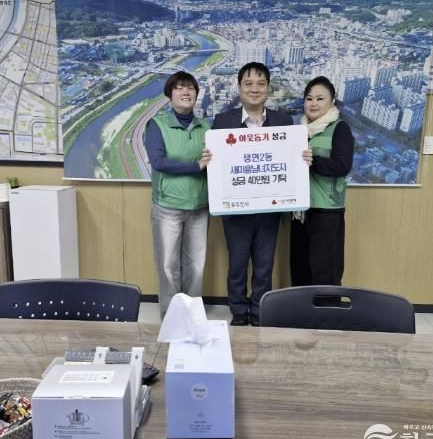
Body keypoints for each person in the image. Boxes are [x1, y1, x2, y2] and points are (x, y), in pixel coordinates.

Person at [212, 62, 296, 327]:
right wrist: (210, 158)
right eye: (248, 83)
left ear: (268, 88)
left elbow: (290, 161)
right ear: (239, 88)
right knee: (237, 264)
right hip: (235, 210)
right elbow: (218, 165)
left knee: (264, 265)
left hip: (269, 209)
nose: (254, 89)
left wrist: (302, 157)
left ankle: (259, 310)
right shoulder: (223, 121)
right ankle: (238, 310)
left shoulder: (283, 121)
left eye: (260, 83)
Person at [144, 71, 212, 317]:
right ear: (170, 94)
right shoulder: (157, 125)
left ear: (196, 94)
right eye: (179, 88)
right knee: (168, 266)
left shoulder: (206, 127)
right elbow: (159, 162)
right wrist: (196, 166)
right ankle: (171, 317)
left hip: (199, 207)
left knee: (196, 267)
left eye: (190, 88)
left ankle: (192, 316)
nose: (185, 92)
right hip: (168, 207)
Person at [290, 76, 354, 287]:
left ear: (332, 101)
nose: (314, 103)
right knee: (300, 268)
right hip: (300, 212)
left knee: (325, 270)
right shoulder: (298, 131)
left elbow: (342, 166)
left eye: (320, 98)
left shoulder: (340, 128)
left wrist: (314, 162)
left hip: (327, 212)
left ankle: (327, 308)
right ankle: (302, 308)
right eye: (309, 98)